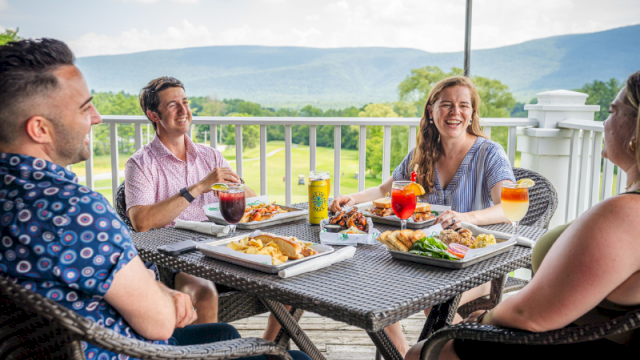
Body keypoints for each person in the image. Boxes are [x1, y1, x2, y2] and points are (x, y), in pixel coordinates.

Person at [0, 38, 310, 360]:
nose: (97, 117)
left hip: (93, 336)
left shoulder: (17, 197)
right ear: (39, 129)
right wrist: (161, 294)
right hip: (142, 346)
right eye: (84, 106)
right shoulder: (79, 212)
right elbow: (160, 322)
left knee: (223, 332)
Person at [405, 71, 640, 360]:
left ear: (636, 130)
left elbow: (530, 315)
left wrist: (481, 322)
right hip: (563, 332)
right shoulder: (627, 209)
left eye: (613, 111)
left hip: (553, 341)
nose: (604, 122)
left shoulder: (624, 213)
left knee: (417, 354)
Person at [329, 75, 515, 356]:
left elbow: (509, 208)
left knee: (435, 302)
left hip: (474, 263)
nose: (455, 113)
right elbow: (385, 189)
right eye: (446, 105)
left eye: (464, 105)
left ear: (472, 112)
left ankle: (464, 348)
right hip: (425, 257)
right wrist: (351, 198)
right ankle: (405, 354)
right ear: (431, 110)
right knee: (374, 291)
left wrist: (467, 218)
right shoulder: (422, 153)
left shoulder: (489, 153)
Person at [126, 76, 285, 341]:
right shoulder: (141, 164)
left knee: (288, 270)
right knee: (202, 291)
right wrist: (200, 186)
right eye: (172, 105)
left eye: (185, 102)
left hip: (227, 248)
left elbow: (252, 202)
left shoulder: (211, 156)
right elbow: (141, 222)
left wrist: (240, 190)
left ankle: (270, 347)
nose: (184, 110)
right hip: (181, 257)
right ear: (153, 115)